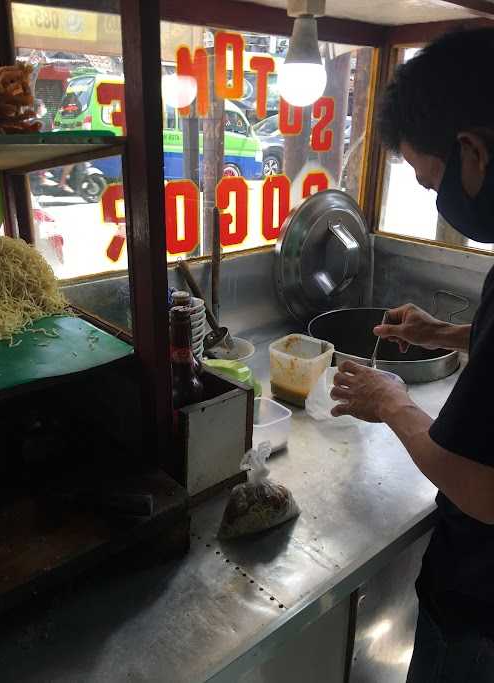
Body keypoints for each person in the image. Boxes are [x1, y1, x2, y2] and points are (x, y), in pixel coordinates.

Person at [330, 28, 494, 681]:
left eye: (431, 183)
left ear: (473, 151)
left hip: (480, 619)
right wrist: (449, 333)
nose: (436, 198)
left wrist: (392, 403)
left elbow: (484, 489)